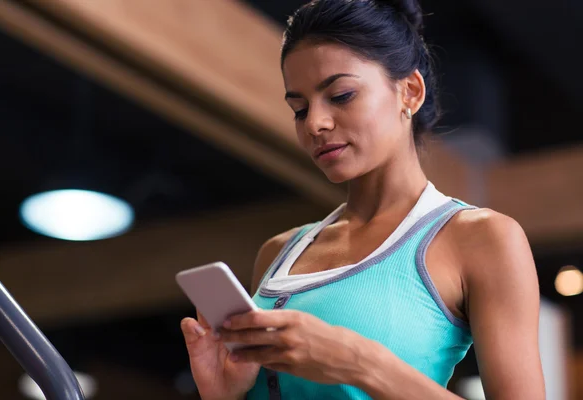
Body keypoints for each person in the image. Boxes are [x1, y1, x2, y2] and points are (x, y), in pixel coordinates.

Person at [180, 0, 545, 398]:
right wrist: (222, 393)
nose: (315, 123)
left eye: (341, 95)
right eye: (299, 109)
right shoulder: (278, 253)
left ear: (410, 91)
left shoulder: (482, 239)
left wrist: (360, 362)